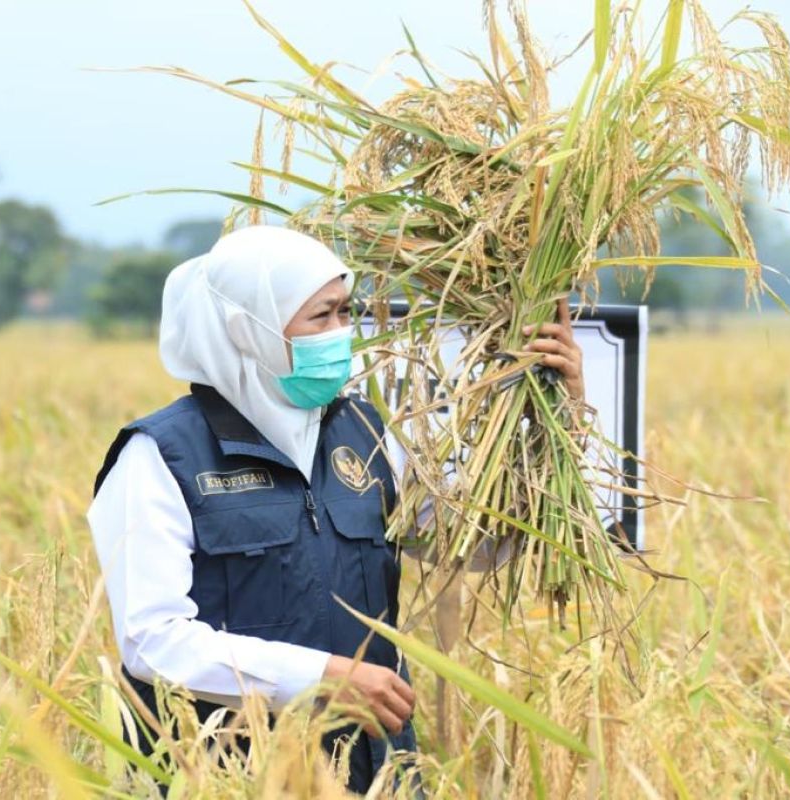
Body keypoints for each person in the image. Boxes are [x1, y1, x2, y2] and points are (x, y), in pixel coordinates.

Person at [86, 225, 585, 794]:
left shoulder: (364, 432)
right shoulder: (160, 457)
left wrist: (558, 413)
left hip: (373, 770)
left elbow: (468, 545)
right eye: (321, 317)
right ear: (250, 331)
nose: (341, 335)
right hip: (226, 774)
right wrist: (322, 678)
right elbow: (154, 641)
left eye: (346, 313)